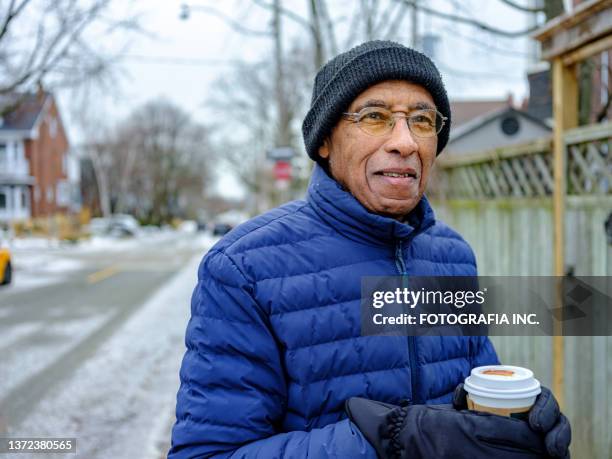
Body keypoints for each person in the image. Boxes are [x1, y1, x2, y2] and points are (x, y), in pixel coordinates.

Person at [168, 40, 570, 458]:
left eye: (423, 120)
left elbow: (464, 407)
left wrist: (515, 418)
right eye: (375, 117)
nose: (406, 142)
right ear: (324, 140)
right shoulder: (244, 269)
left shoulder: (452, 255)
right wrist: (389, 441)